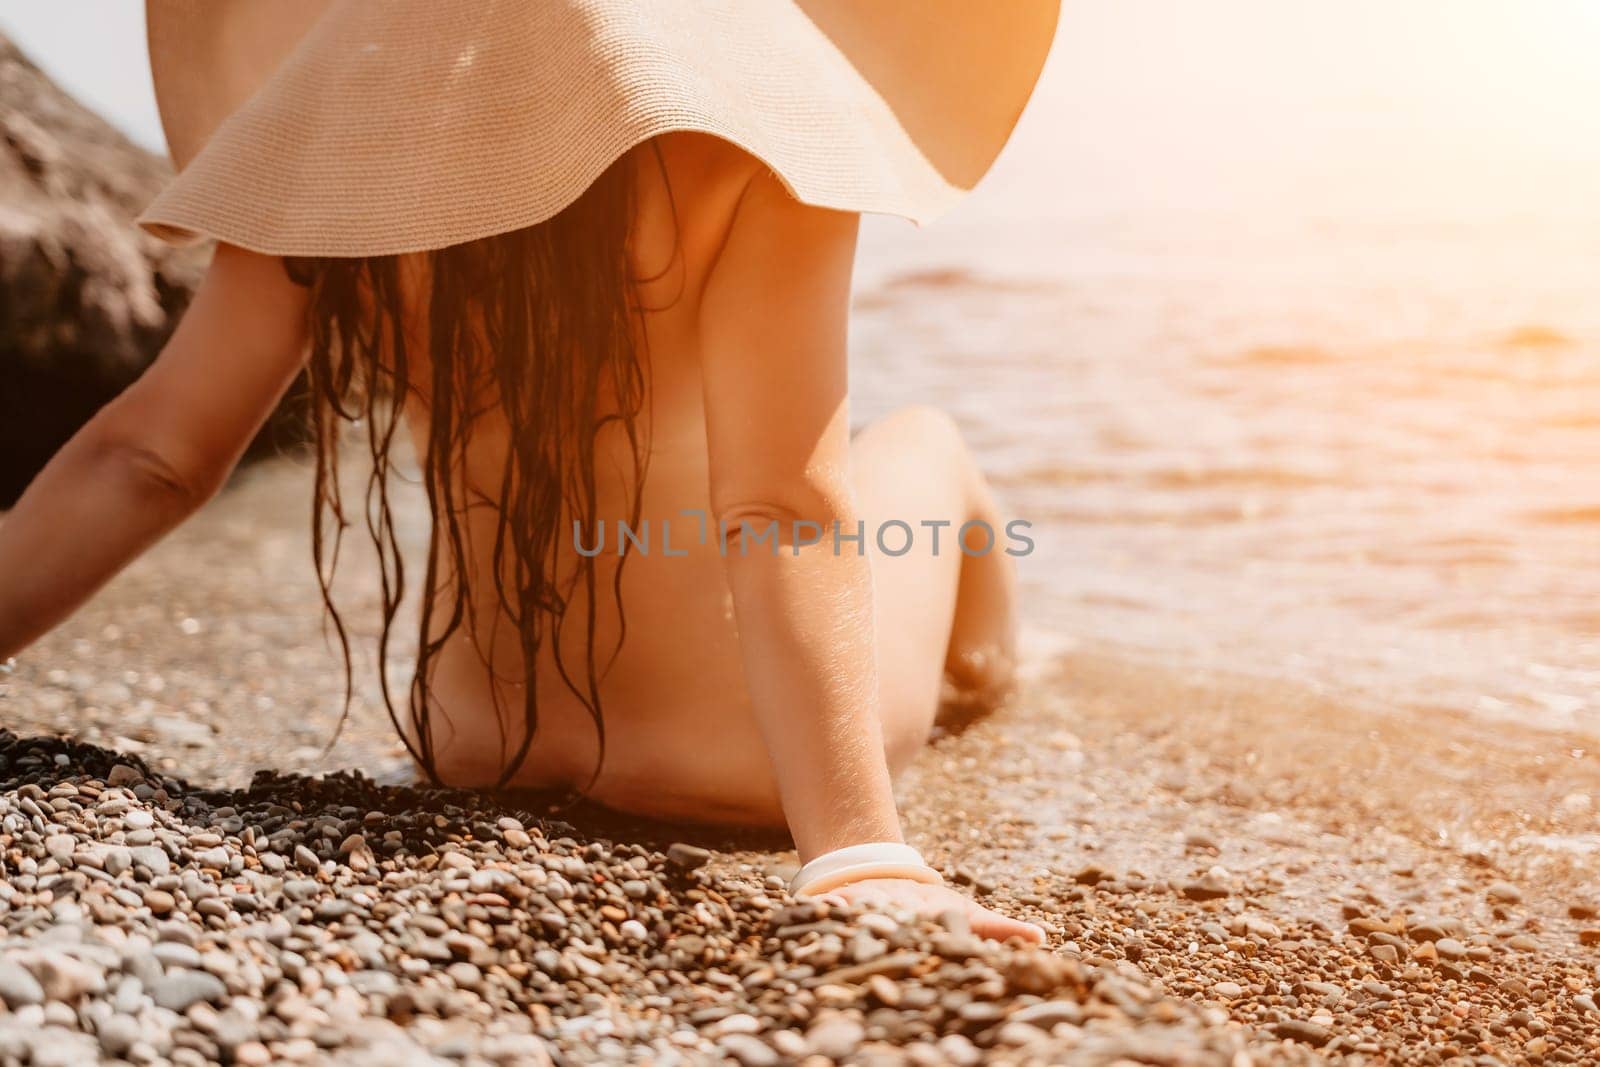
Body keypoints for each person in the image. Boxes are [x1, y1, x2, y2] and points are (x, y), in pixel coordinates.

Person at [0, 0, 1057, 942]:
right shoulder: (756, 133)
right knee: (921, 440)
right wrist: (859, 853)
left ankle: (1000, 668)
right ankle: (1002, 666)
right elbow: (777, 507)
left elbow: (150, 456)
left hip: (474, 736)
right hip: (740, 759)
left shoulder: (333, 139)